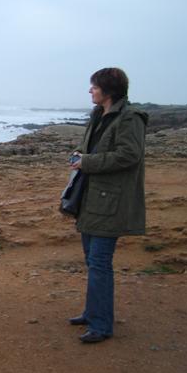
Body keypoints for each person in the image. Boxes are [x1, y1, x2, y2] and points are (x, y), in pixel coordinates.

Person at [68, 67, 147, 343]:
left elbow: (129, 155)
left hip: (110, 201)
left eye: (94, 86)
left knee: (100, 263)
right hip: (91, 198)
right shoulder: (98, 115)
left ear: (108, 90)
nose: (90, 90)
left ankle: (101, 325)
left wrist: (87, 162)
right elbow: (94, 149)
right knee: (93, 261)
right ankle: (92, 313)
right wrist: (80, 154)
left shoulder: (129, 118)